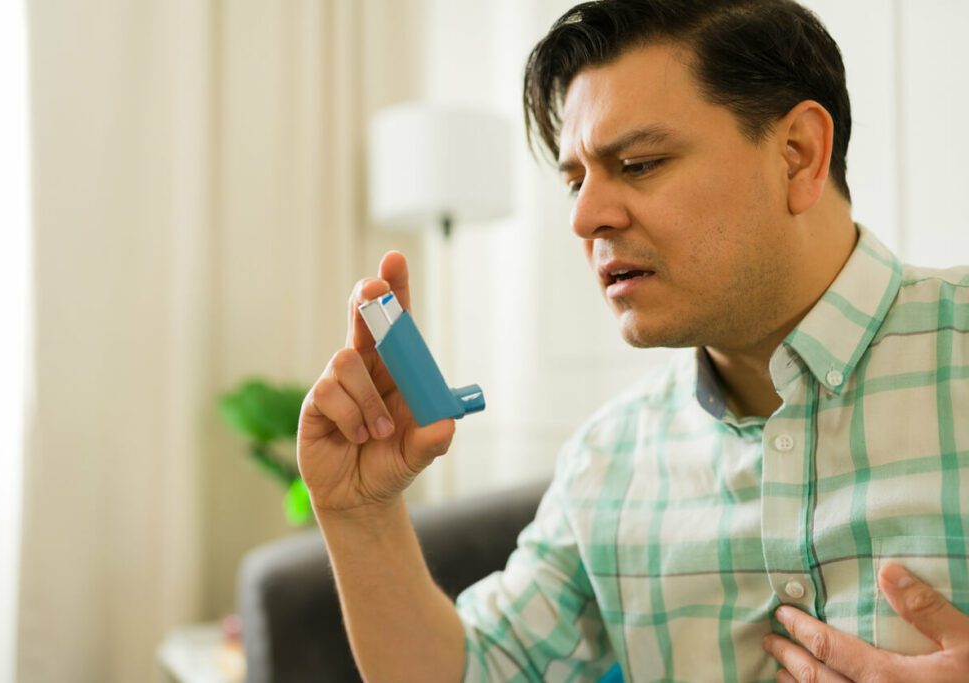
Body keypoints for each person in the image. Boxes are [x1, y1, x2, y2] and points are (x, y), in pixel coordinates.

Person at [297, 0, 969, 680]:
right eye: (576, 180)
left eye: (640, 163)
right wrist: (361, 515)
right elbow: (475, 671)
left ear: (797, 156)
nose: (586, 217)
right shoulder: (607, 461)